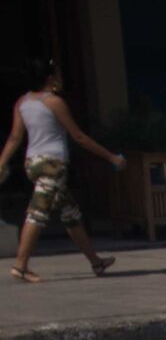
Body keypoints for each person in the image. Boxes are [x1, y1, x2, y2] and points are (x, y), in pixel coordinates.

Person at [0, 57, 124, 283]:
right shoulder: (54, 102)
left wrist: (2, 162)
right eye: (56, 74)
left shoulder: (22, 102)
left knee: (70, 214)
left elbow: (15, 137)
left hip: (33, 163)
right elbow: (78, 136)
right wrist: (110, 157)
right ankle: (20, 265)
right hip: (53, 164)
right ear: (50, 78)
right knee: (37, 212)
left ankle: (96, 262)